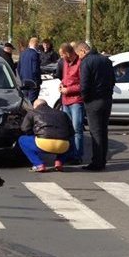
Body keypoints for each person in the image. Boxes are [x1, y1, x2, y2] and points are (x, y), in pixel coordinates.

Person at [75, 41, 115, 171]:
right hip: (107, 100)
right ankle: (102, 159)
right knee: (103, 131)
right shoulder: (106, 60)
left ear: (83, 51)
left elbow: (84, 84)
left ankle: (97, 162)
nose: (79, 58)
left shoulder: (86, 62)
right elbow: (113, 80)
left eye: (79, 55)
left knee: (95, 132)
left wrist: (85, 99)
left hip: (93, 101)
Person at [18, 99, 74, 172]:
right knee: (71, 142)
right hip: (62, 146)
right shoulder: (63, 113)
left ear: (35, 106)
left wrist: (34, 134)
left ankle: (38, 164)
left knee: (22, 139)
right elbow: (72, 132)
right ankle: (59, 162)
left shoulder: (32, 112)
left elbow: (24, 128)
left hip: (43, 144)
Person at [58, 43, 85, 165]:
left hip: (75, 100)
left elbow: (82, 84)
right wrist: (62, 84)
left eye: (63, 55)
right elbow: (65, 77)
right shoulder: (65, 62)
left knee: (77, 129)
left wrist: (68, 90)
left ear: (68, 53)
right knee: (68, 129)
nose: (62, 57)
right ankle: (68, 153)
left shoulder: (80, 63)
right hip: (65, 100)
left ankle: (77, 155)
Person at [18, 37, 41, 102]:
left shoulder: (23, 53)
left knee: (25, 101)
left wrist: (21, 78)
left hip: (24, 81)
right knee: (32, 102)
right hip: (33, 82)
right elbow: (35, 69)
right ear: (37, 44)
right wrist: (38, 81)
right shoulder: (35, 54)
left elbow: (19, 67)